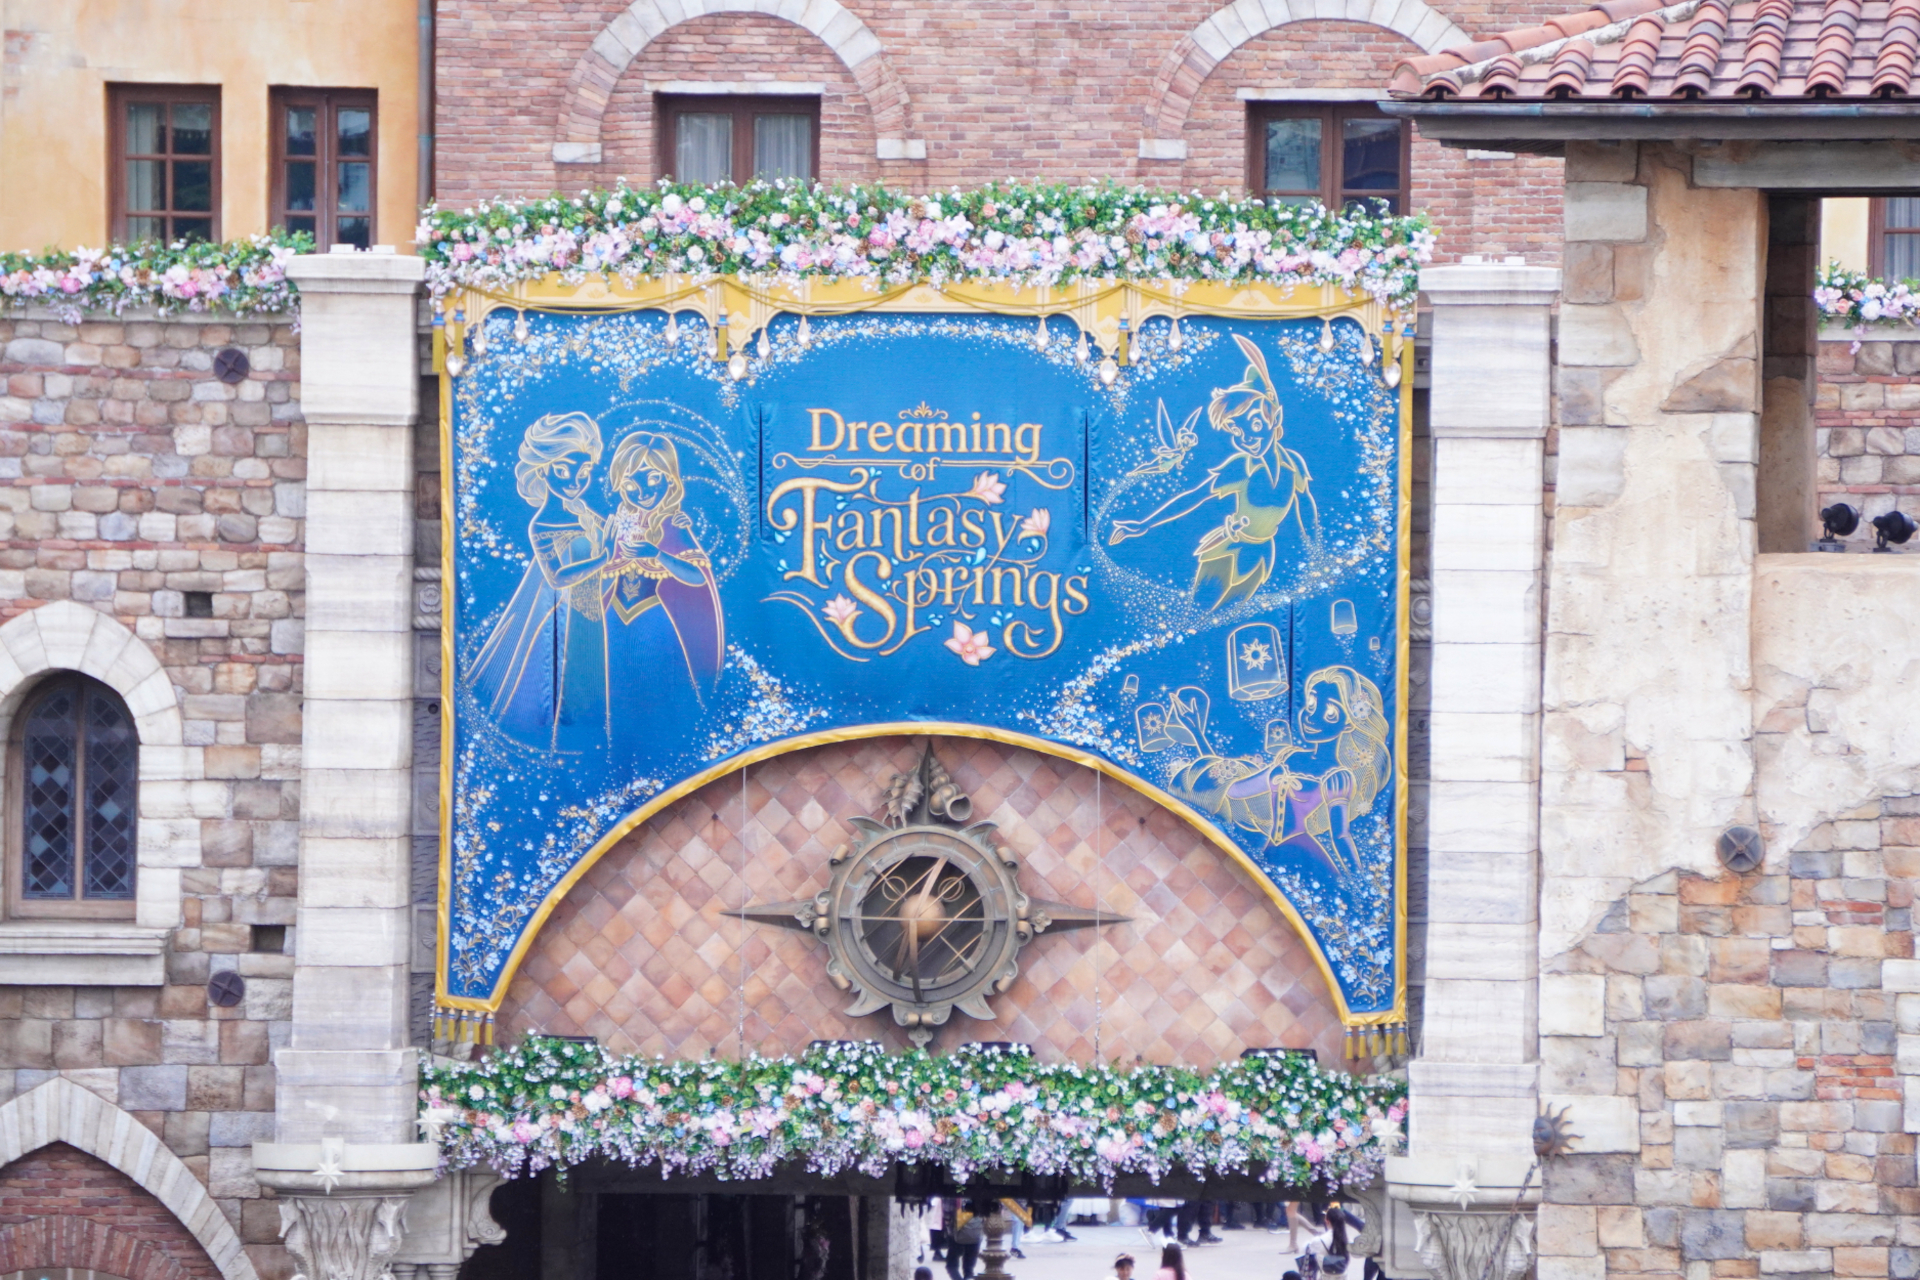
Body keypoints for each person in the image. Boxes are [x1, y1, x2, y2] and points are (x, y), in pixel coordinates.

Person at [467, 411, 613, 750]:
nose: (575, 481)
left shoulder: (583, 512)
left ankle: (591, 752)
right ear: (542, 469)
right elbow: (557, 577)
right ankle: (566, 753)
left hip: (594, 615)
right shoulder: (542, 525)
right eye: (563, 470)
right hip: (564, 620)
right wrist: (603, 558)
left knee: (594, 691)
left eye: (583, 473)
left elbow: (609, 544)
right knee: (566, 689)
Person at [945, 1203, 982, 1280]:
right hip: (974, 1234)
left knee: (951, 1265)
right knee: (969, 1268)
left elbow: (947, 1211)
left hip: (956, 1235)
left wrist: (948, 1227)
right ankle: (968, 1277)